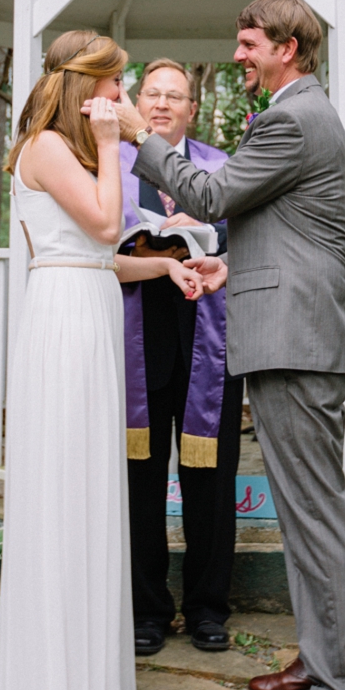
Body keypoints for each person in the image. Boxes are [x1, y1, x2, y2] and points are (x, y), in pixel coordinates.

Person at [115, 0, 345, 690]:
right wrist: (228, 264)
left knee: (318, 516)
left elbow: (207, 194)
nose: (239, 54)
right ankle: (321, 657)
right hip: (288, 328)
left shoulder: (294, 117)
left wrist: (139, 133)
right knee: (303, 516)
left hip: (298, 342)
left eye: (249, 42)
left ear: (288, 48)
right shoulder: (303, 113)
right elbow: (298, 233)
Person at [0, 31, 205, 690]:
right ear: (89, 88)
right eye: (117, 85)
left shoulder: (71, 152)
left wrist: (166, 269)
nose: (123, 98)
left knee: (92, 498)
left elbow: (102, 257)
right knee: (66, 498)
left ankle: (97, 686)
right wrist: (116, 147)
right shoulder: (49, 144)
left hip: (88, 309)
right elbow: (110, 223)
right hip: (63, 325)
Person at [119, 59, 242, 657]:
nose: (163, 104)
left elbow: (248, 235)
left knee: (211, 480)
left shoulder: (221, 167)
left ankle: (207, 608)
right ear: (137, 102)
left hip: (206, 333)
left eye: (176, 96)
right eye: (153, 93)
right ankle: (146, 609)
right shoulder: (109, 166)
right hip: (136, 332)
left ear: (193, 108)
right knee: (139, 478)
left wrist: (209, 229)